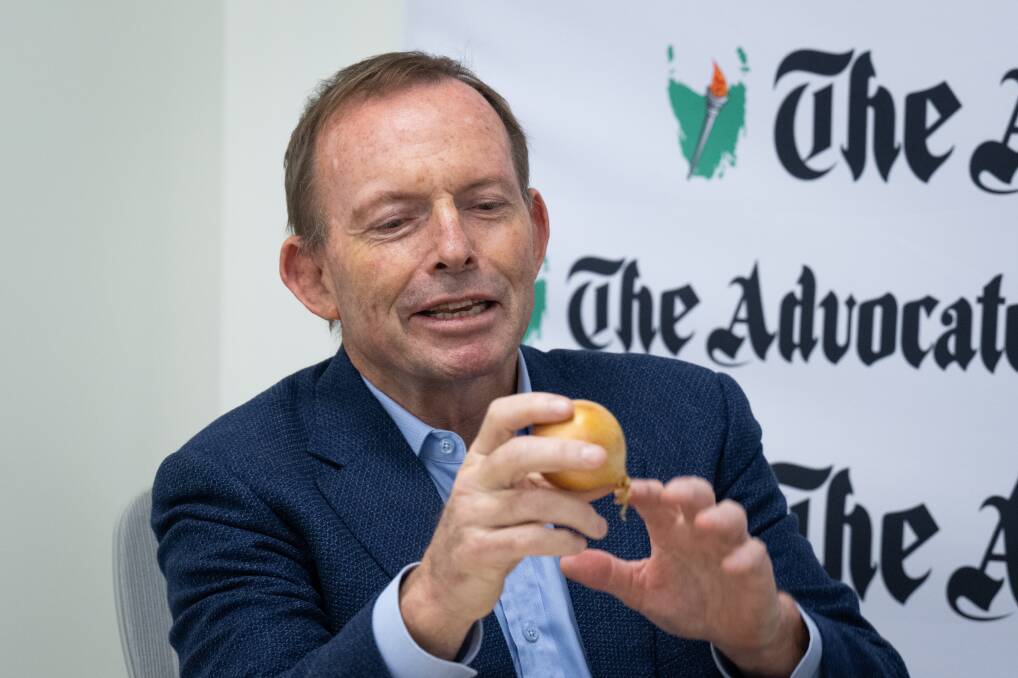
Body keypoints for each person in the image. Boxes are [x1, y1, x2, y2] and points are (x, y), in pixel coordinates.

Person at [152, 51, 909, 677]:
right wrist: (430, 609)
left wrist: (769, 640)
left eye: (486, 205)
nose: (455, 248)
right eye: (395, 221)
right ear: (312, 277)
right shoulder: (233, 483)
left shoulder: (690, 417)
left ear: (537, 231)